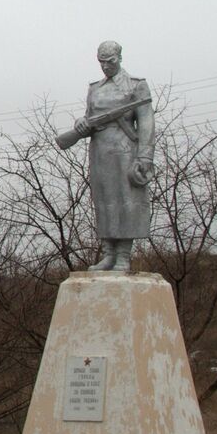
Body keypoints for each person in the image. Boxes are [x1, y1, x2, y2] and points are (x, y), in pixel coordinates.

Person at [57, 40, 154, 271]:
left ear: (119, 58)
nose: (106, 67)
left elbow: (147, 121)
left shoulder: (136, 85)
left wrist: (145, 156)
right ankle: (108, 253)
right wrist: (81, 123)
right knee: (104, 200)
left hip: (126, 149)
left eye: (110, 61)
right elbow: (89, 118)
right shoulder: (95, 88)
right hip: (100, 150)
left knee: (126, 200)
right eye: (101, 62)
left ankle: (123, 255)